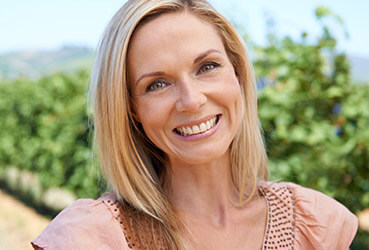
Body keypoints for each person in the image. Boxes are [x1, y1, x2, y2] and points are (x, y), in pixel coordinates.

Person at [31, 0, 358, 249]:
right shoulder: (94, 237)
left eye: (207, 66)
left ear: (238, 73)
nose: (192, 100)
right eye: (157, 84)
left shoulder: (316, 224)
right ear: (130, 109)